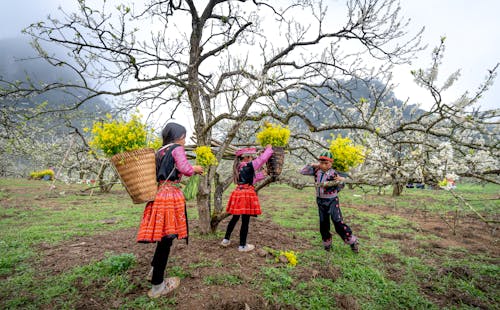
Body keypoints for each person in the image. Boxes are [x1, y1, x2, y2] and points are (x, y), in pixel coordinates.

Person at [136, 122, 203, 298]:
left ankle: (153, 270)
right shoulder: (176, 149)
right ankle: (158, 286)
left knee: (163, 238)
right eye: (184, 136)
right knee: (166, 239)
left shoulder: (159, 151)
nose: (185, 140)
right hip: (170, 196)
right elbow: (185, 169)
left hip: (158, 194)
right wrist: (195, 169)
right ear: (179, 136)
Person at [299, 150, 359, 253]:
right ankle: (327, 243)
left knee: (337, 221)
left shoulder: (334, 173)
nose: (323, 165)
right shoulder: (316, 171)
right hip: (320, 200)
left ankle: (351, 241)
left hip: (332, 200)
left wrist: (340, 181)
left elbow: (342, 185)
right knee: (323, 222)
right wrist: (313, 165)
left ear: (331, 163)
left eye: (326, 163)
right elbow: (302, 171)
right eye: (321, 163)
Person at [220, 145, 273, 252]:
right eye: (251, 157)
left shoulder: (239, 166)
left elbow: (250, 180)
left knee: (235, 218)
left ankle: (226, 240)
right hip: (246, 195)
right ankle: (242, 245)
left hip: (238, 193)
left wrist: (263, 174)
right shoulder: (248, 165)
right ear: (246, 157)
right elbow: (262, 160)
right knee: (245, 220)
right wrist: (269, 149)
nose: (252, 158)